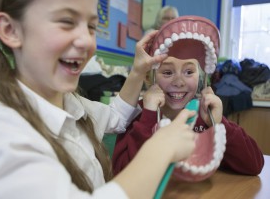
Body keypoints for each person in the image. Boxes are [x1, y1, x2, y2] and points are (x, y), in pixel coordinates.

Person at [0, 0, 197, 198]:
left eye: (91, 27)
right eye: (67, 22)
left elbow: (116, 117)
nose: (88, 42)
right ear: (10, 30)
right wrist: (159, 151)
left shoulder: (69, 100)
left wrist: (137, 71)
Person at [113, 16, 264, 178]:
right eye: (167, 72)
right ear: (150, 78)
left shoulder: (204, 116)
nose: (179, 82)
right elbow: (121, 172)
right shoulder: (139, 115)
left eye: (189, 72)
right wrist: (148, 117)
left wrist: (219, 123)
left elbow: (254, 165)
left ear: (200, 76)